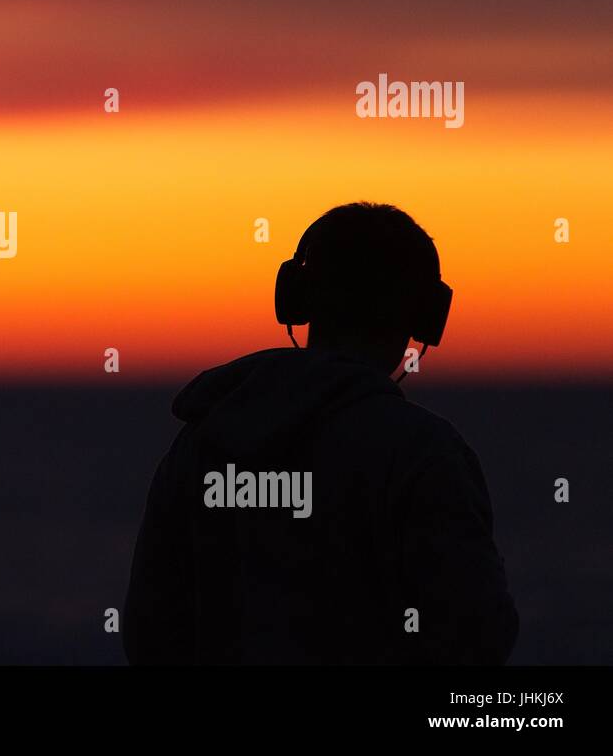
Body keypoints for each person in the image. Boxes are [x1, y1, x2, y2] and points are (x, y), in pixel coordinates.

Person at [122, 202, 518, 664]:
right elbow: (477, 631)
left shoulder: (202, 441)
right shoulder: (422, 452)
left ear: (297, 300)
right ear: (426, 317)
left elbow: (150, 632)